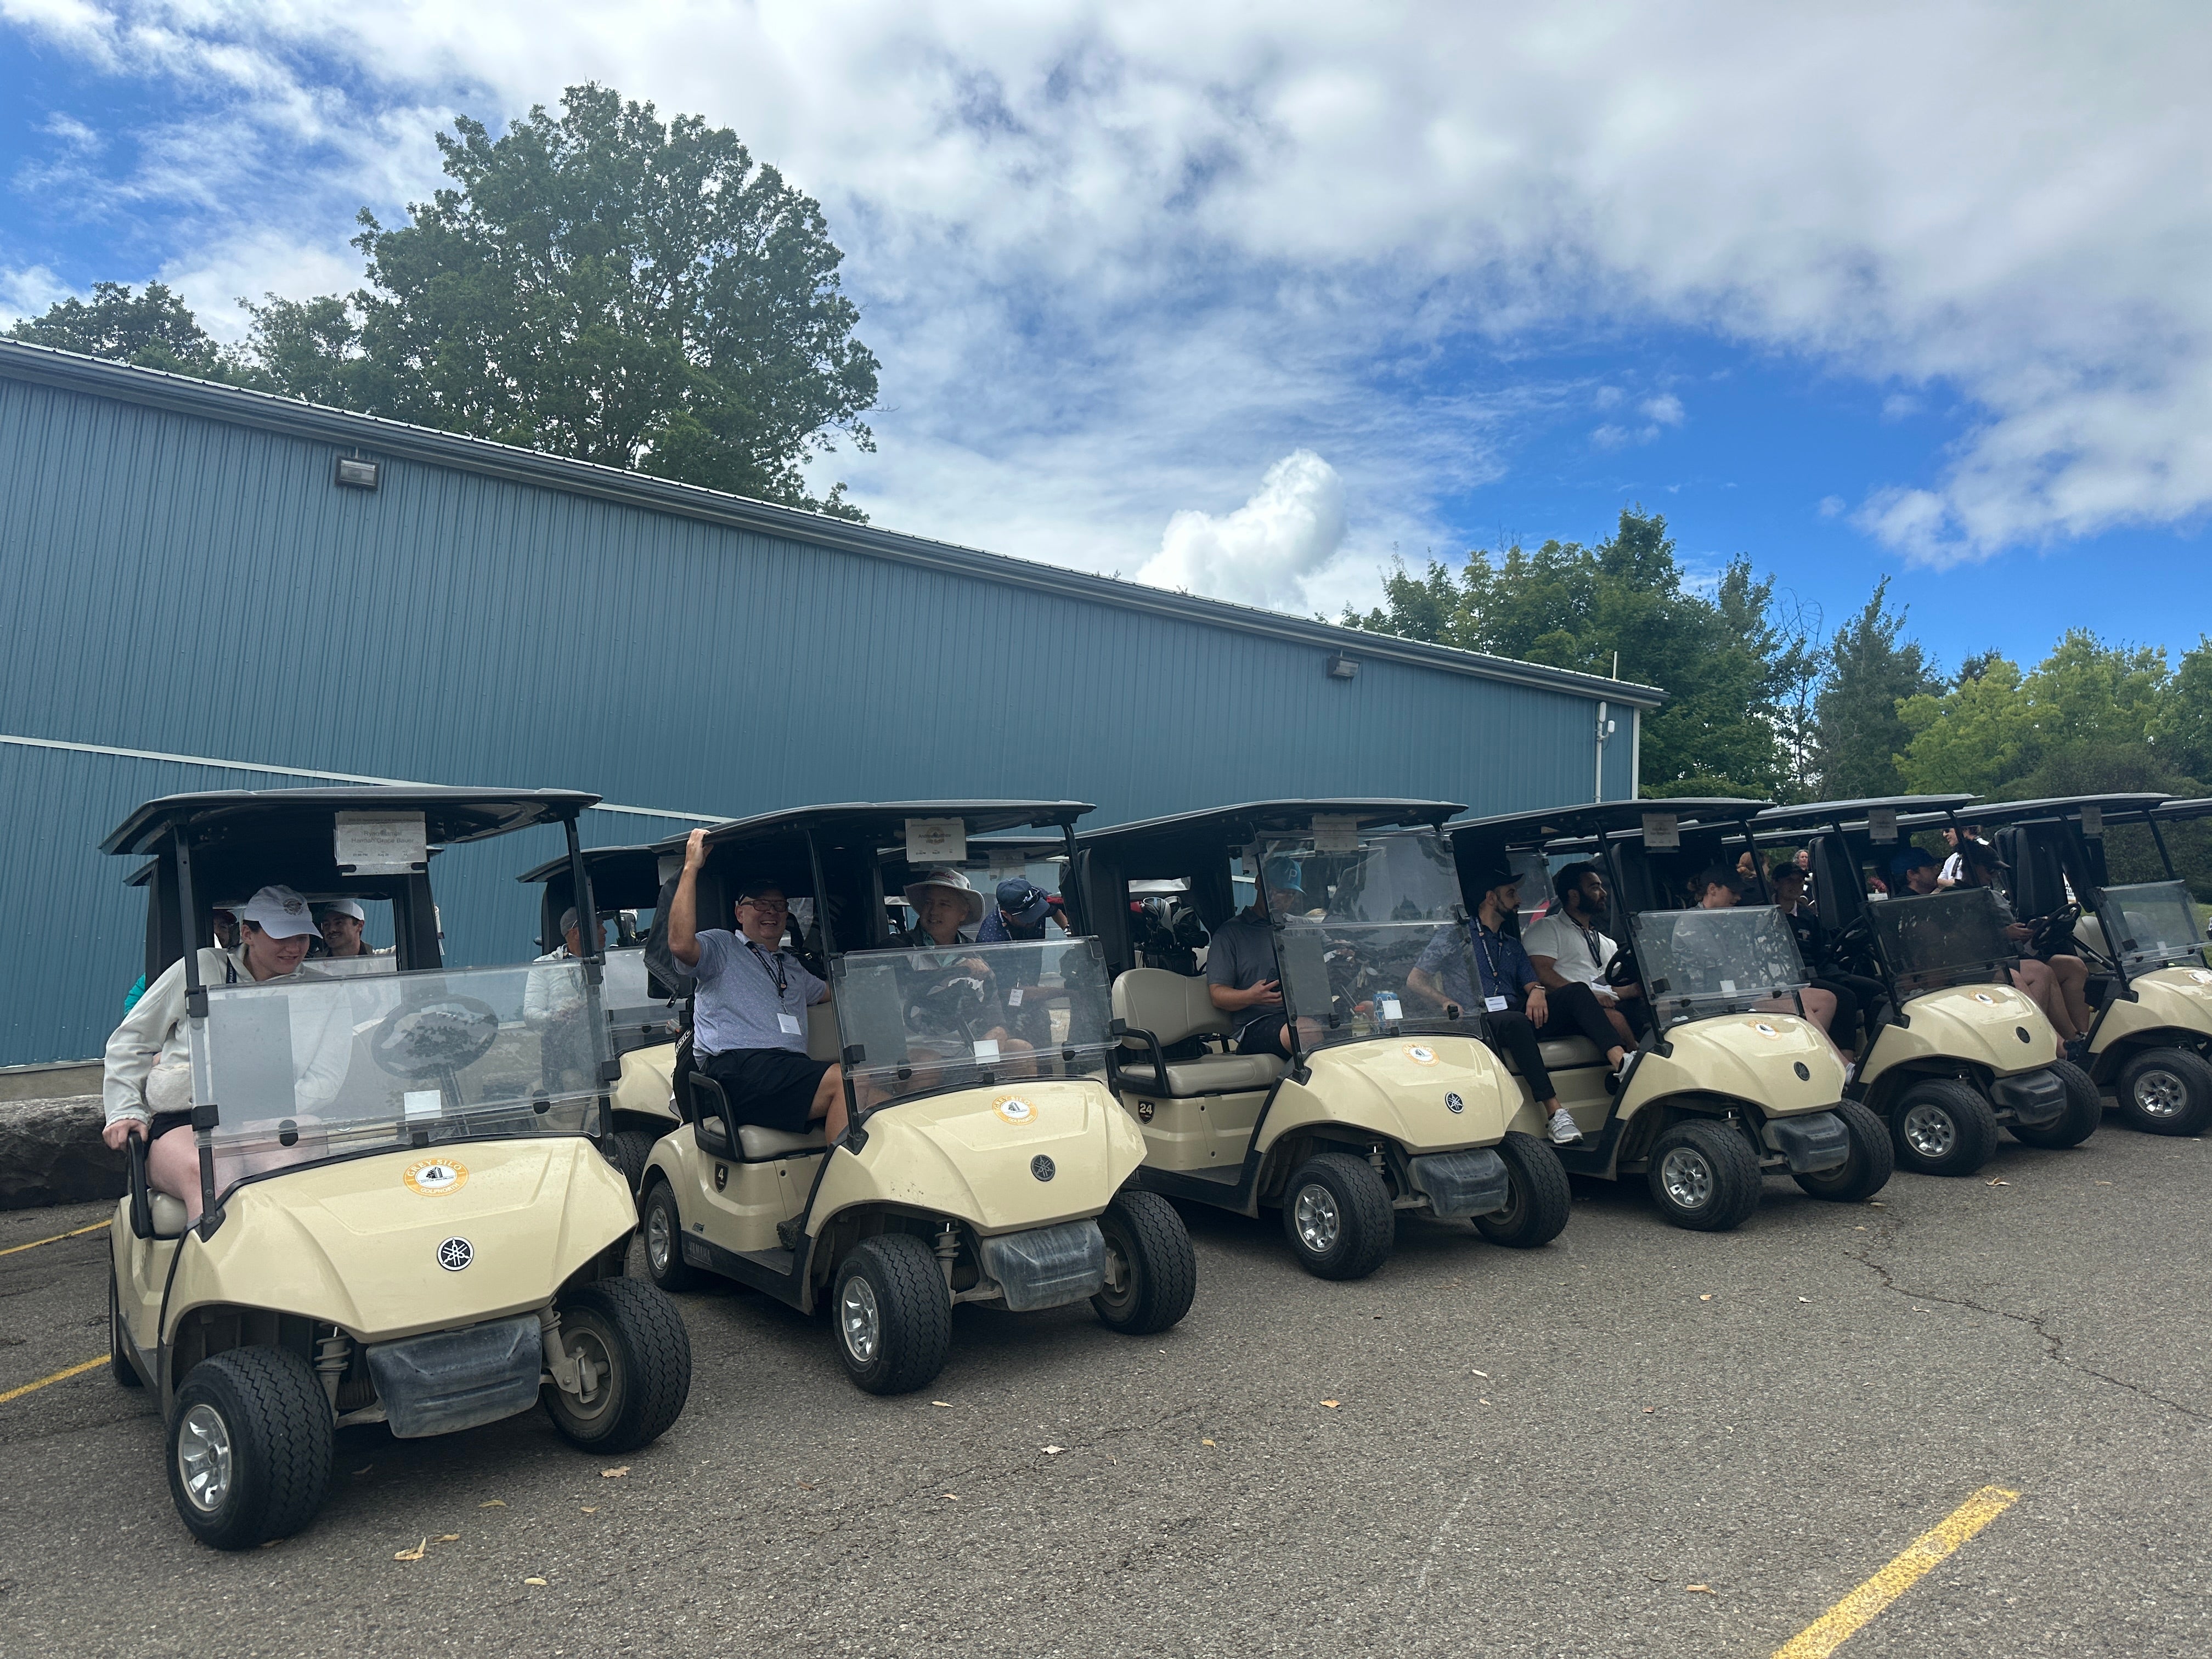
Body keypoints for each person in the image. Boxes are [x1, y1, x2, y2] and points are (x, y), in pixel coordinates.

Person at [100, 886, 340, 1224]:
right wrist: (125, 1109)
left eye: (302, 936)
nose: (294, 947)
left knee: (288, 1168)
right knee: (213, 1174)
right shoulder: (199, 969)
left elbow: (325, 1081)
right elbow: (131, 1041)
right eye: (281, 935)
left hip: (277, 1113)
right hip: (188, 1117)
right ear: (248, 934)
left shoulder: (326, 992)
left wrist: (253, 1112)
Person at [1407, 864, 1629, 1146]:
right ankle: (1556, 1114)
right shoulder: (1455, 937)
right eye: (1511, 894)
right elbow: (1415, 980)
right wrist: (1445, 1001)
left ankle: (1621, 1061)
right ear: (1491, 898)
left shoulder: (1510, 943)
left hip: (1516, 1014)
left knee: (1577, 992)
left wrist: (1537, 990)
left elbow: (1531, 981)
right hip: (1480, 1019)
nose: (1519, 901)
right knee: (1516, 1021)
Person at [667, 830, 847, 1144]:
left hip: (785, 1070)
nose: (771, 912)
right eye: (759, 904)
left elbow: (839, 993)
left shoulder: (791, 966)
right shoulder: (723, 947)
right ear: (740, 913)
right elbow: (681, 945)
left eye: (779, 906)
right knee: (845, 1083)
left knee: (875, 1083)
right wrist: (691, 868)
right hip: (737, 1070)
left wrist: (894, 982)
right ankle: (843, 1188)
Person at [1954, 842, 2094, 1059]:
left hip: (2009, 956)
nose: (1993, 876)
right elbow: (1962, 939)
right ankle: (2048, 1041)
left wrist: (2027, 929)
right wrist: (2004, 934)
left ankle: (2081, 1037)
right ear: (1972, 867)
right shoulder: (1954, 898)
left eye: (1996, 871)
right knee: (2039, 971)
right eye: (1990, 870)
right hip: (1979, 964)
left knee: (2072, 966)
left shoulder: (1989, 895)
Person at [1683, 866, 1844, 1042]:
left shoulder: (1732, 921)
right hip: (1718, 999)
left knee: (1827, 1000)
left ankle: (1813, 1053)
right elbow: (1724, 967)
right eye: (1733, 892)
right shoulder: (1692, 924)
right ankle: (1825, 1057)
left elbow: (1753, 956)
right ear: (1712, 889)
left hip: (1750, 990)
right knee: (1799, 1005)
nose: (1738, 898)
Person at [901, 868, 1035, 1070]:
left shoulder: (975, 957)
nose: (934, 911)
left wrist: (998, 1031)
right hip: (911, 1050)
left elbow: (994, 1015)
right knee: (928, 1064)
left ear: (962, 914)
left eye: (944, 904)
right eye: (929, 903)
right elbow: (897, 983)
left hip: (967, 1050)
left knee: (1020, 1051)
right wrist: (949, 973)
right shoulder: (898, 948)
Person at [1521, 860, 1644, 1048]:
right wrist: (1590, 996)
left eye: (1602, 887)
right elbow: (1541, 973)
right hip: (1570, 1010)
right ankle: (1637, 1062)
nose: (1603, 894)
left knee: (1653, 1009)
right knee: (1614, 1019)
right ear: (1574, 895)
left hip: (1604, 1004)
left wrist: (1639, 989)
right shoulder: (1547, 928)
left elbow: (1613, 988)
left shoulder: (1604, 940)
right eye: (1595, 888)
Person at [1770, 856, 1884, 1054]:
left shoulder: (1808, 917)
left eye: (1800, 881)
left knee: (1877, 990)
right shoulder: (1765, 914)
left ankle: (1876, 1052)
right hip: (1789, 979)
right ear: (1776, 883)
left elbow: (1822, 951)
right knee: (1846, 997)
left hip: (1818, 972)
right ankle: (1845, 1056)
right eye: (1790, 880)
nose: (1796, 885)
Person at [1206, 858, 1308, 1055]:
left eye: (1291, 894)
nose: (1284, 900)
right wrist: (1252, 996)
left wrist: (1346, 949)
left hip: (1305, 1012)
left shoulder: (1304, 927)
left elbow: (1335, 950)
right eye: (1279, 891)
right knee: (1304, 1031)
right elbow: (1217, 995)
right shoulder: (1231, 934)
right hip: (1256, 1023)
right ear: (1259, 883)